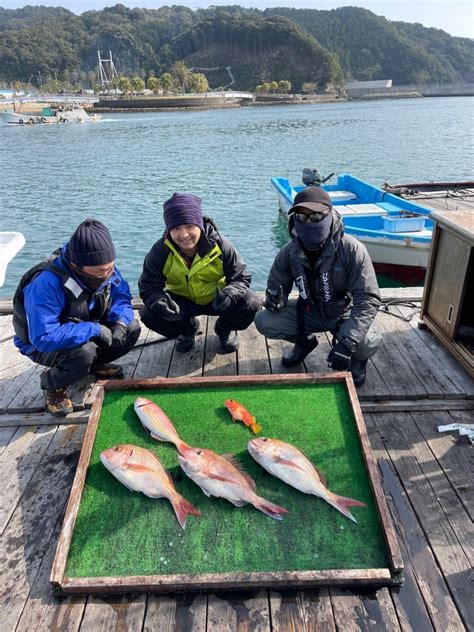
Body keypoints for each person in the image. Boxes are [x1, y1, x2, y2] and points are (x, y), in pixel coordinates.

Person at [255, 187, 381, 386]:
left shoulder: (352, 249)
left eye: (315, 216)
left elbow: (368, 299)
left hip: (342, 312)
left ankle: (357, 362)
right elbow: (276, 286)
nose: (307, 222)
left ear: (329, 214)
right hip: (308, 311)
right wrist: (274, 299)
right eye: (301, 216)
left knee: (366, 341)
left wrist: (347, 344)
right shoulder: (288, 252)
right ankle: (304, 342)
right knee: (264, 320)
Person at [13, 219, 141, 416]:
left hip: (83, 327)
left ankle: (94, 366)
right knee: (84, 351)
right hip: (41, 344)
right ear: (76, 265)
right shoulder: (46, 283)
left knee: (131, 328)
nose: (107, 274)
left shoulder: (105, 267)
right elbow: (43, 337)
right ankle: (52, 385)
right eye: (100, 271)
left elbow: (121, 296)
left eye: (110, 268)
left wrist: (119, 323)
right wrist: (94, 330)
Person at [139, 192, 260, 353]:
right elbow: (148, 286)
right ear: (168, 229)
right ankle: (188, 329)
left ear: (200, 225)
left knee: (251, 303)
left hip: (217, 298)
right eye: (176, 228)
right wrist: (158, 301)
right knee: (148, 313)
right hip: (181, 302)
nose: (184, 235)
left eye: (190, 226)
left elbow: (241, 277)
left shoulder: (221, 245)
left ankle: (224, 328)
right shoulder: (160, 251)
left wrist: (230, 293)